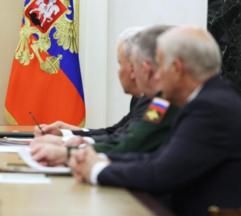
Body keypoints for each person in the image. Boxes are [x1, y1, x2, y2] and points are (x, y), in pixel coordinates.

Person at [70, 26, 241, 216]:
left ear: (176, 69)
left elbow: (162, 173)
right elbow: (158, 158)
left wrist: (97, 170)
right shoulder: (208, 99)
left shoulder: (209, 108)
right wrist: (101, 159)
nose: (156, 76)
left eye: (160, 66)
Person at [31, 25, 179, 166]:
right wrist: (69, 136)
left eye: (122, 64)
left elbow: (133, 143)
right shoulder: (153, 98)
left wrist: (69, 153)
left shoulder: (162, 102)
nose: (130, 73)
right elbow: (120, 132)